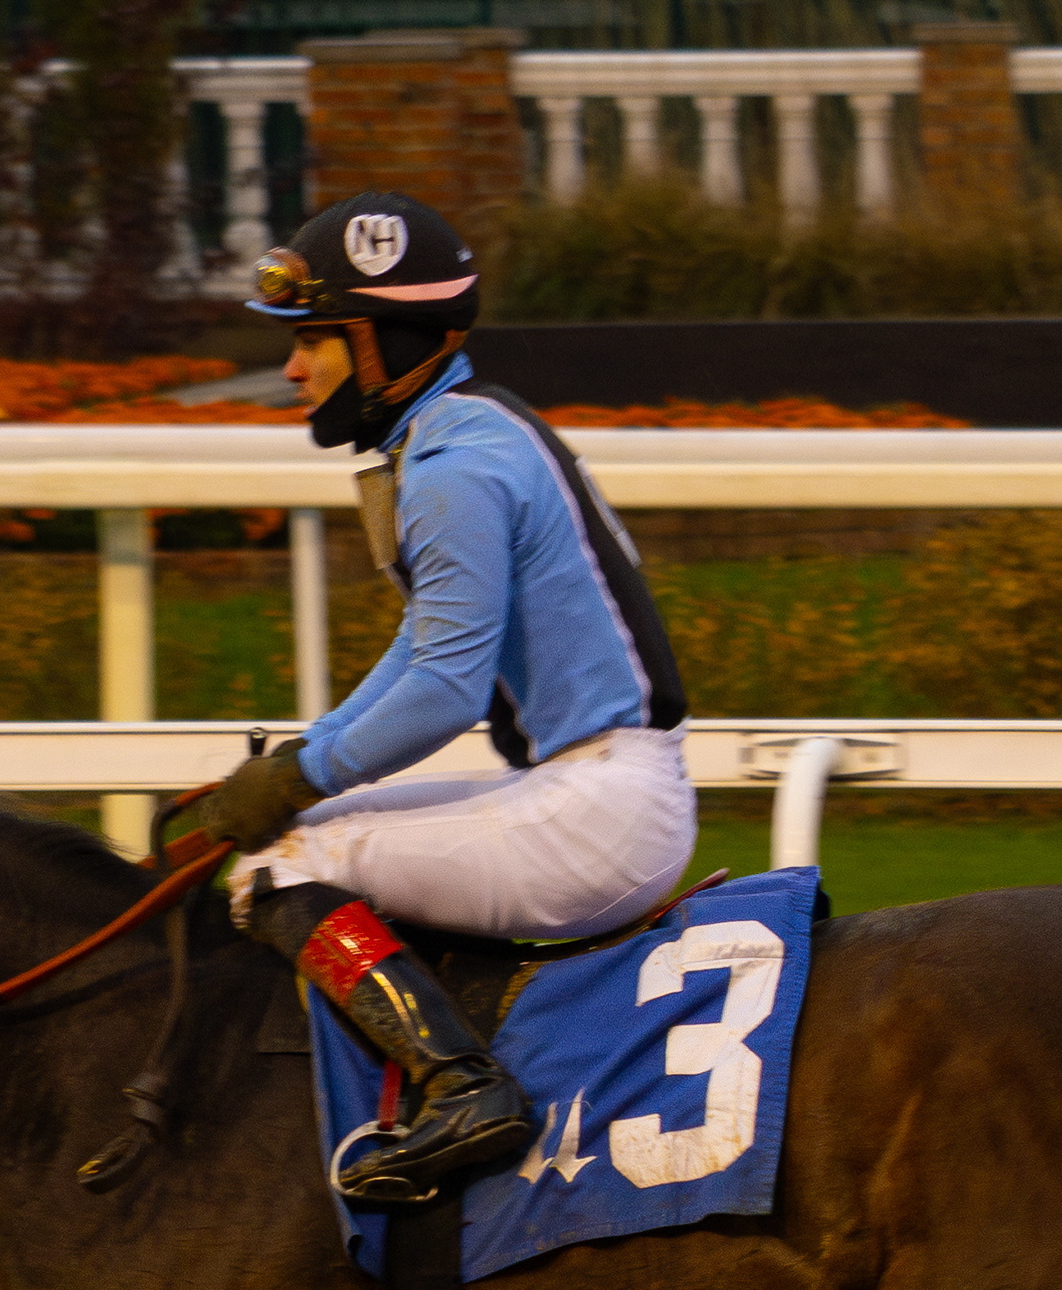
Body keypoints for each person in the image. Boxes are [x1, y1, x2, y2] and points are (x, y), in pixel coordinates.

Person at [182, 192, 693, 1208]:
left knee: (282, 869)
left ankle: (463, 1085)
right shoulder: (472, 429)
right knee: (296, 827)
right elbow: (422, 654)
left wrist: (289, 780)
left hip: (602, 812)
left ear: (382, 344)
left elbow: (445, 690)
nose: (292, 369)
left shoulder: (456, 468)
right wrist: (296, 766)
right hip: (596, 784)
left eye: (315, 341)